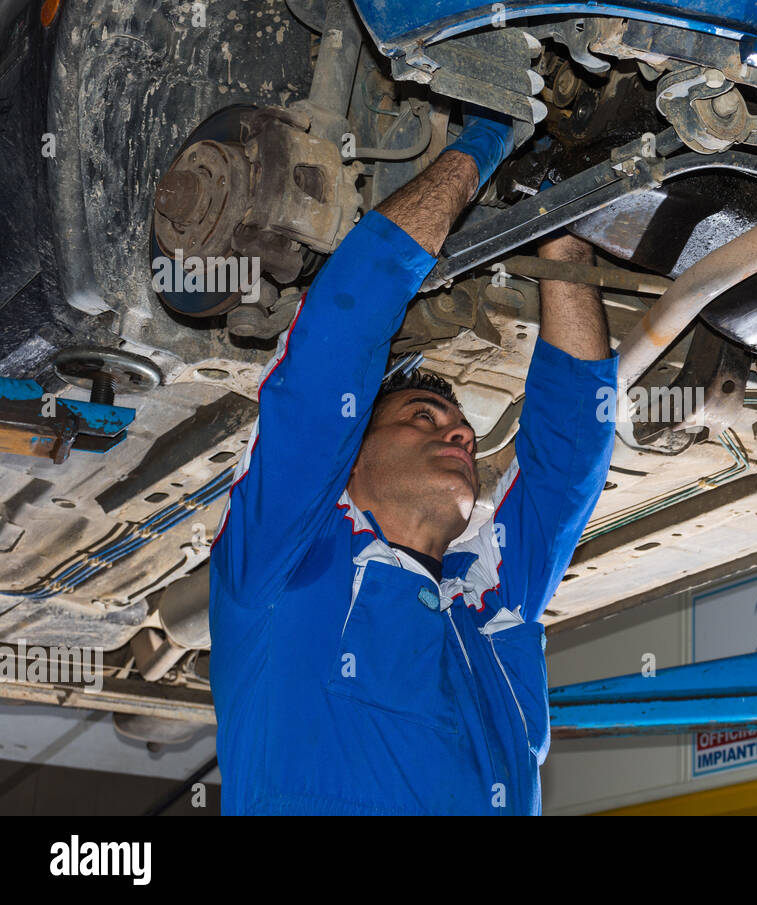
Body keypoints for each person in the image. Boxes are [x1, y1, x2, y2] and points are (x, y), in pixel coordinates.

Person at [207, 112, 617, 814]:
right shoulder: (485, 605)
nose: (460, 433)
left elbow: (337, 338)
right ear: (352, 462)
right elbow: (571, 453)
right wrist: (567, 235)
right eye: (427, 418)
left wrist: (486, 138)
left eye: (452, 421)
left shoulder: (285, 564)